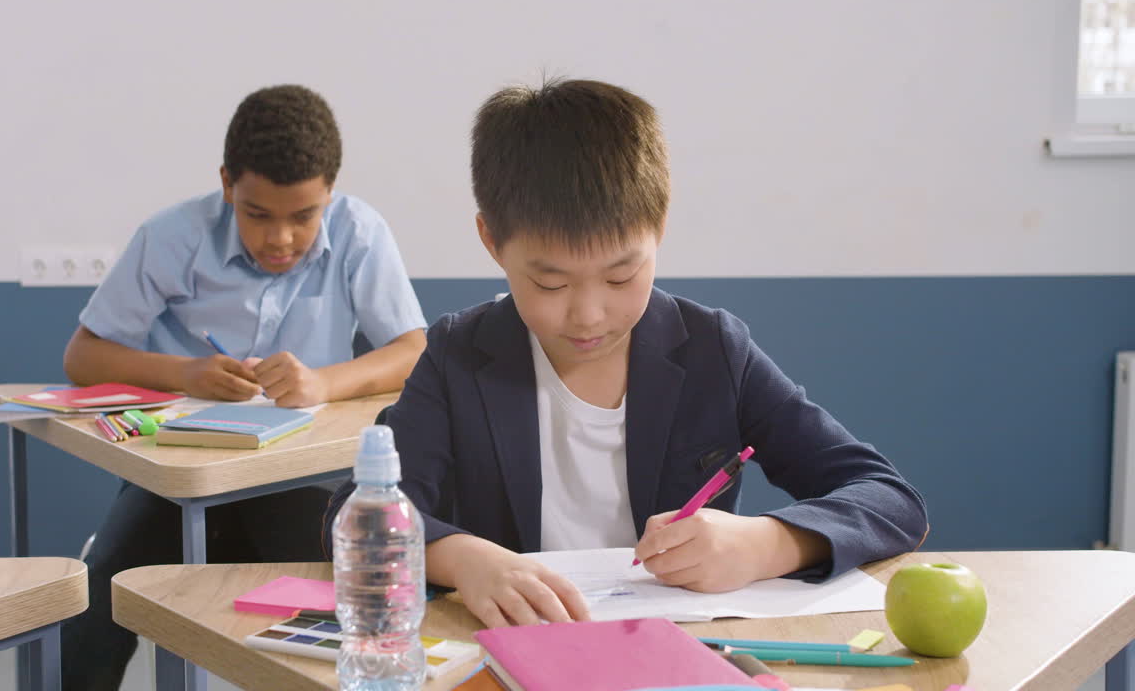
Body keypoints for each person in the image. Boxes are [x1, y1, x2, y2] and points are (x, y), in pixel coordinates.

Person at [324, 78, 928, 629]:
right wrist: (463, 559)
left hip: (680, 652)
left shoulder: (713, 350)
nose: (589, 314)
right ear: (492, 242)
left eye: (620, 276)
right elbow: (355, 512)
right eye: (551, 284)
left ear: (658, 227)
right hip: (519, 651)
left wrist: (765, 544)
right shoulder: (458, 355)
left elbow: (888, 498)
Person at [62, 85, 426, 690]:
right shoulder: (171, 235)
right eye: (258, 215)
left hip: (297, 479)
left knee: (353, 594)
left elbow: (414, 351)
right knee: (100, 592)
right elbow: (83, 355)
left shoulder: (360, 231)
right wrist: (184, 374)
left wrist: (322, 382)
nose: (280, 238)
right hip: (178, 483)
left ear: (330, 191)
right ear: (227, 184)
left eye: (303, 216)